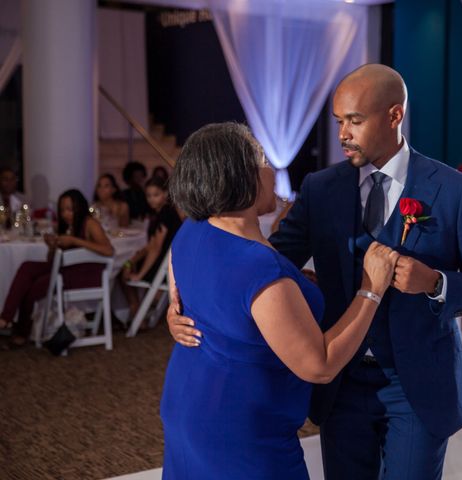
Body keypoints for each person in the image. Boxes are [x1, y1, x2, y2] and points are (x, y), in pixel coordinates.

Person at [168, 64, 462, 479]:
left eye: (354, 120)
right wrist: (185, 307)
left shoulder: (454, 190)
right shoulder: (320, 188)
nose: (342, 134)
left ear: (394, 116)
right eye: (338, 122)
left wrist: (435, 283)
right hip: (341, 385)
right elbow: (259, 266)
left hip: (417, 386)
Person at [160, 122, 398, 479]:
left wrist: (172, 314)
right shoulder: (261, 270)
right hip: (240, 432)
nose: (271, 171)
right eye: (264, 161)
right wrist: (372, 287)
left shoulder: (192, 229)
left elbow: (188, 295)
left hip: (187, 405)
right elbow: (319, 364)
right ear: (243, 177)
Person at [0, 189, 114, 348]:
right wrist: (52, 247)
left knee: (35, 287)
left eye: (70, 209)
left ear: (79, 208)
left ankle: (20, 332)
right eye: (62, 210)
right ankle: (6, 319)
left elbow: (109, 250)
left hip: (85, 274)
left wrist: (74, 240)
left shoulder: (89, 223)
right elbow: (53, 260)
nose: (66, 214)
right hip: (65, 269)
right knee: (27, 267)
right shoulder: (66, 226)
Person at [120, 176, 181, 321]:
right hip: (164, 265)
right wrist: (131, 262)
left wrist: (140, 274)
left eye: (156, 195)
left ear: (165, 194)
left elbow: (155, 248)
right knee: (124, 267)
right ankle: (136, 310)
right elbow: (150, 247)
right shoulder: (161, 213)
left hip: (164, 268)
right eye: (148, 196)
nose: (152, 199)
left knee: (121, 273)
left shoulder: (166, 214)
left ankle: (135, 310)